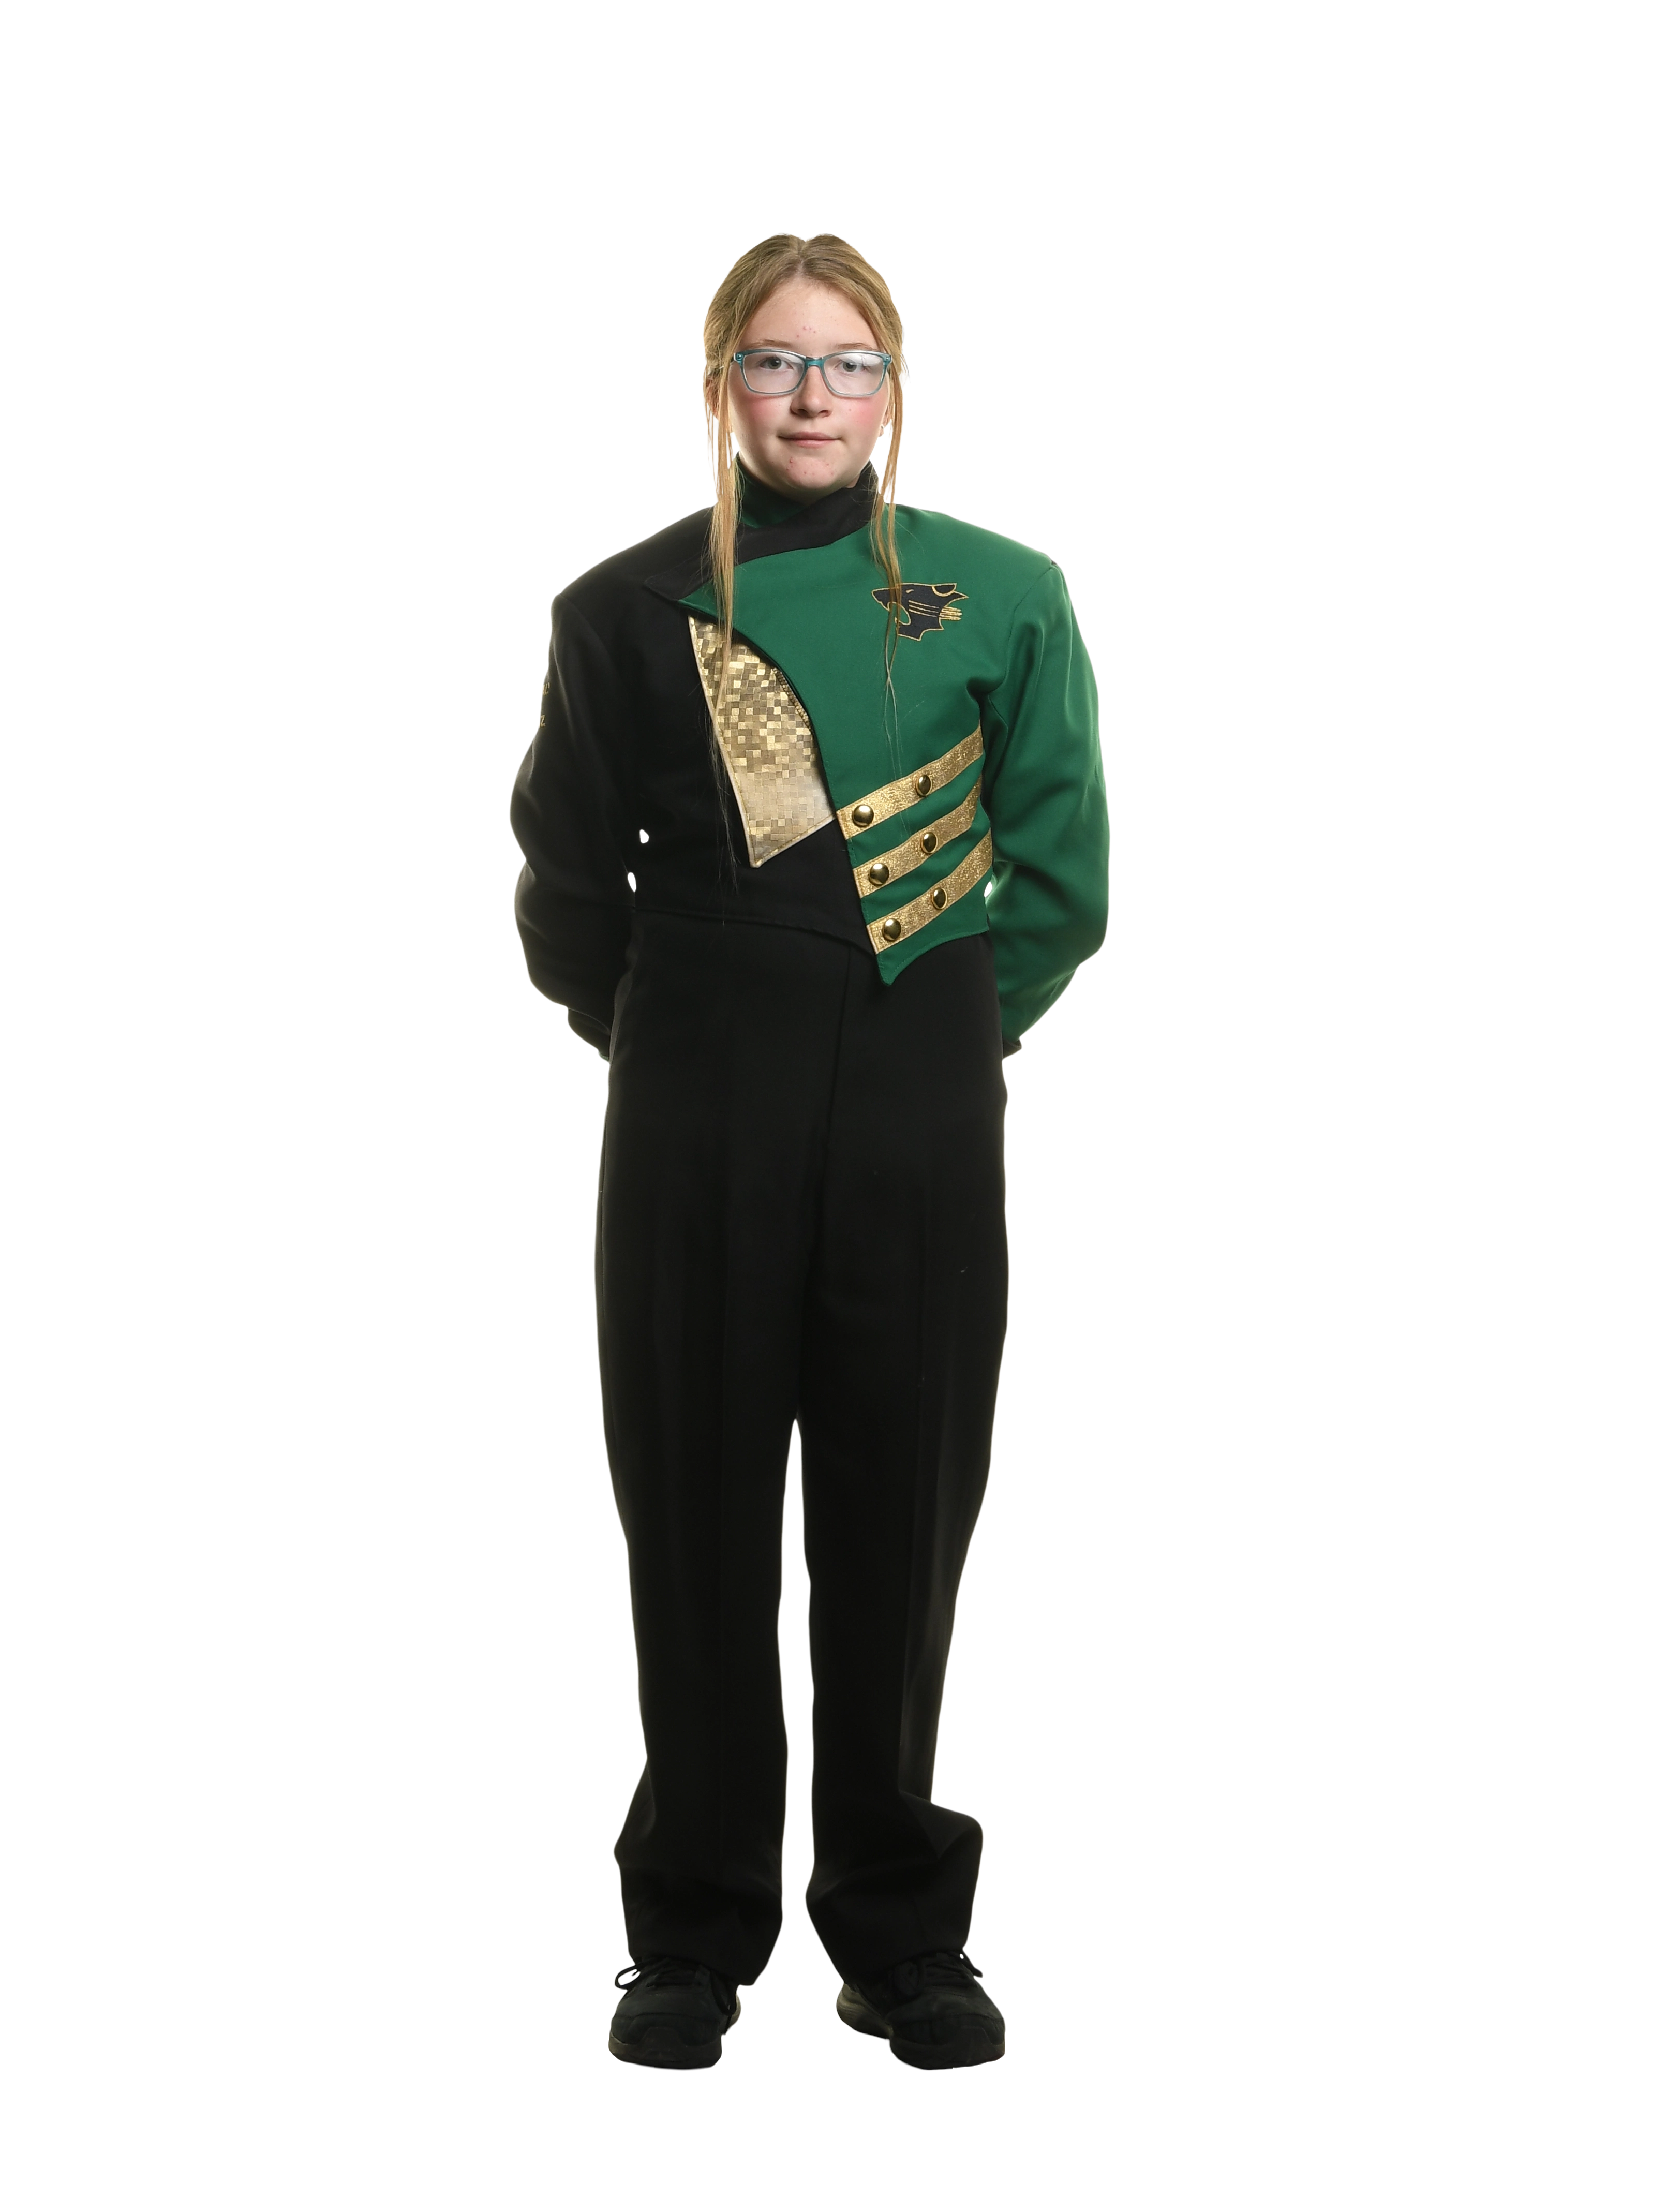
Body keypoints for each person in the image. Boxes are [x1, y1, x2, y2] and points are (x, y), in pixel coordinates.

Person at [510, 232, 1109, 2071]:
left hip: (923, 1099)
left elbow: (1061, 877)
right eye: (773, 360)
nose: (811, 395)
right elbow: (563, 893)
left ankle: (903, 1936)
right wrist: (689, 1036)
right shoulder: (619, 609)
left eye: (849, 362)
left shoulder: (1006, 593)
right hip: (693, 1107)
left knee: (899, 1507)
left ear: (899, 387)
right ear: (717, 386)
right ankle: (688, 1936)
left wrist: (933, 1032)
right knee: (691, 1502)